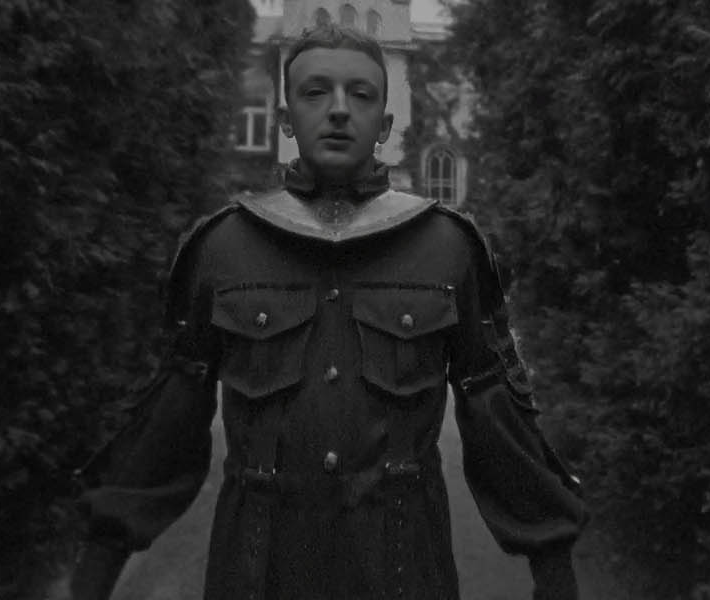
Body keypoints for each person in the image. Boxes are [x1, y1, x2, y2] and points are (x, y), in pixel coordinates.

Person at [70, 24, 588, 600]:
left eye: (361, 94)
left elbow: (496, 411)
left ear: (385, 125)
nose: (339, 109)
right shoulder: (222, 248)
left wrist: (553, 566)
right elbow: (170, 412)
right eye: (315, 92)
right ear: (286, 117)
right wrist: (98, 565)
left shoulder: (449, 248)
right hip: (255, 572)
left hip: (404, 571)